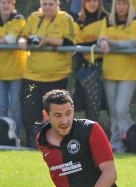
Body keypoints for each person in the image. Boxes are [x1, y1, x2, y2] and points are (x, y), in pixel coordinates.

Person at [17, 0, 76, 148]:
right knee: (29, 114)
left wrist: (47, 40)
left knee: (56, 115)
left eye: (51, 4)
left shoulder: (66, 18)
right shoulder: (34, 17)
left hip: (56, 77)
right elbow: (24, 35)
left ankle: (56, 145)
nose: (47, 7)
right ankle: (33, 145)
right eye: (44, 4)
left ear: (58, 4)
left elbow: (70, 42)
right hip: (32, 76)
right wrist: (22, 41)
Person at [98, 0, 136, 153]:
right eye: (119, 4)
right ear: (114, 6)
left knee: (121, 109)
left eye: (125, 4)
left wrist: (109, 42)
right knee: (113, 113)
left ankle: (133, 138)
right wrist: (103, 41)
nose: (121, 7)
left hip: (128, 73)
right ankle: (116, 145)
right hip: (109, 72)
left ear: (129, 6)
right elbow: (100, 40)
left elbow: (131, 44)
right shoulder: (107, 20)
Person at [73, 0, 108, 123]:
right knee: (85, 106)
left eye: (95, 1)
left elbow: (105, 40)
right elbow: (76, 42)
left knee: (102, 106)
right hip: (84, 68)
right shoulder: (78, 19)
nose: (92, 3)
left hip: (103, 68)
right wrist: (94, 44)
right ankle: (86, 134)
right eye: (88, 1)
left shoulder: (106, 18)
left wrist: (85, 46)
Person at [0, 0, 26, 144]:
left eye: (8, 2)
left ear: (13, 4)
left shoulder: (19, 18)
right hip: (0, 72)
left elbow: (11, 40)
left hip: (16, 71)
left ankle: (15, 139)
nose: (5, 5)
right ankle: (2, 138)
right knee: (1, 107)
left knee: (15, 106)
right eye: (3, 2)